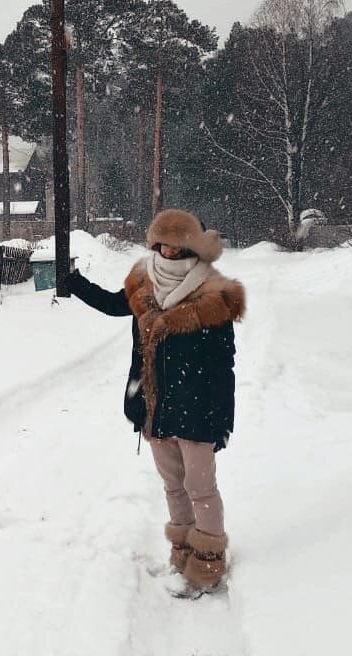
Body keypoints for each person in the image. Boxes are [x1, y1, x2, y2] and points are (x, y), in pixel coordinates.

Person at [66, 208, 245, 593]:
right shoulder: (143, 283)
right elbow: (116, 305)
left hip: (197, 409)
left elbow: (223, 366)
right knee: (173, 486)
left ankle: (208, 568)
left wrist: (222, 420)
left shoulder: (214, 297)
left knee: (201, 487)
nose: (167, 252)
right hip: (157, 405)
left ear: (189, 248)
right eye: (161, 244)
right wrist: (76, 285)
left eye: (175, 246)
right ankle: (181, 555)